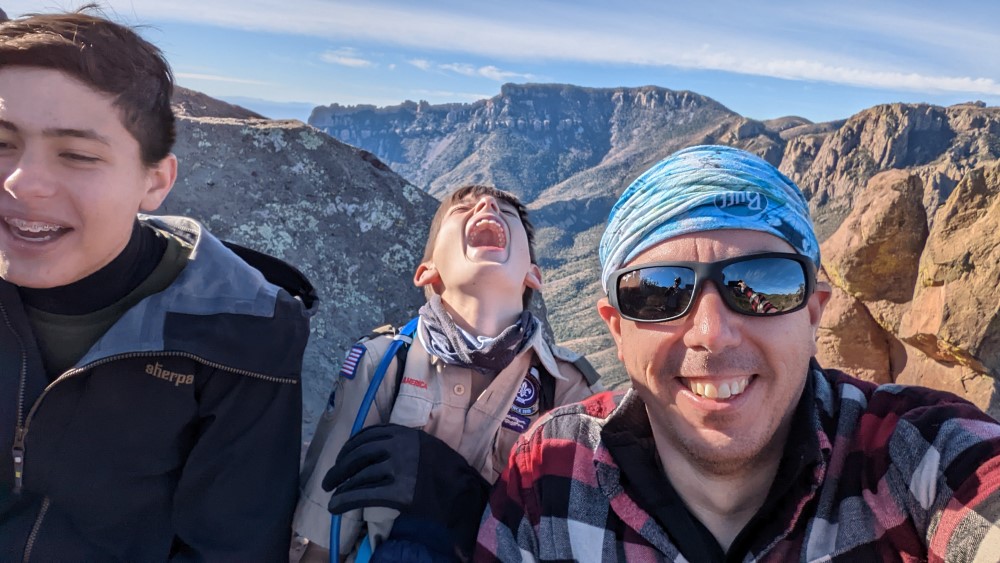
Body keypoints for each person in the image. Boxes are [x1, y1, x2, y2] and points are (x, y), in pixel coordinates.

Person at [476, 145, 1000, 562]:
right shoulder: (550, 475)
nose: (713, 334)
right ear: (617, 329)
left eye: (763, 283)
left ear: (813, 312)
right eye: (660, 293)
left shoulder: (920, 456)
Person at [0, 8, 316, 560]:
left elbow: (230, 546)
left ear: (155, 182)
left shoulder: (243, 334)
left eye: (77, 155)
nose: (23, 182)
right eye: (2, 144)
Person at [292, 185, 602, 562]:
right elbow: (325, 540)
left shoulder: (568, 387)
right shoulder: (383, 363)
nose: (487, 205)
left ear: (533, 275)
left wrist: (458, 496)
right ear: (427, 271)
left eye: (507, 212)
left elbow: (581, 538)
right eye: (461, 210)